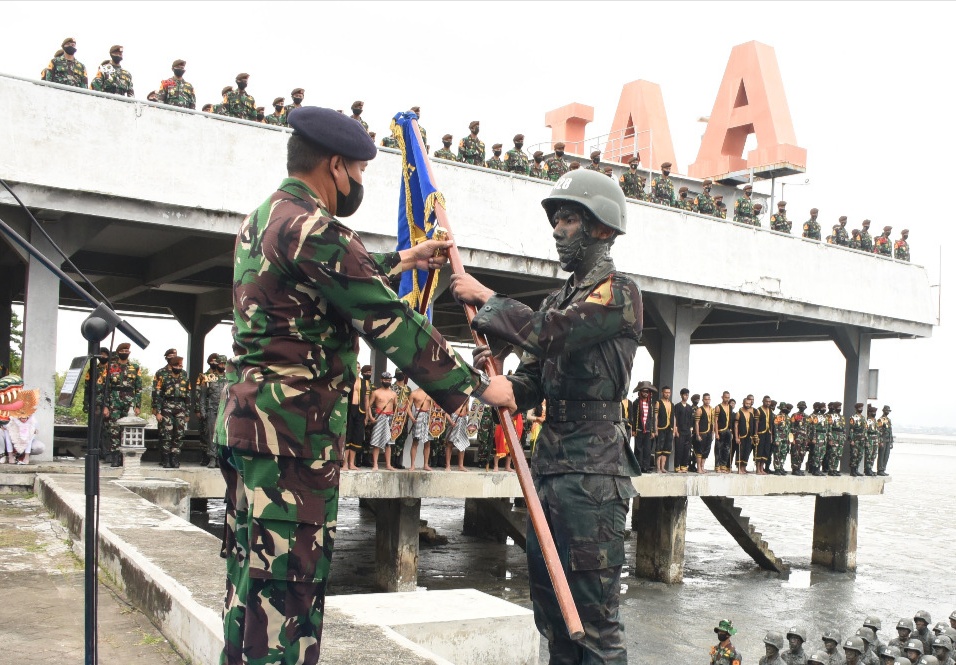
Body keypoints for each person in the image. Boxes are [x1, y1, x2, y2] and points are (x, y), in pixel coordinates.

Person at [215, 107, 513, 663]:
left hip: (251, 433)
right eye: (358, 172)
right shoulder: (316, 229)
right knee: (287, 604)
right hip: (290, 445)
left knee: (248, 595)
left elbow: (332, 277)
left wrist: (404, 257)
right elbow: (387, 319)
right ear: (334, 166)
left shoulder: (264, 219)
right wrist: (475, 388)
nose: (360, 184)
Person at [450, 168, 642, 664]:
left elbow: (552, 334)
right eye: (556, 220)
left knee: (594, 619)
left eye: (569, 219)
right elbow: (529, 382)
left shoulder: (618, 293)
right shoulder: (557, 298)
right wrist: (491, 383)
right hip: (551, 466)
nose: (557, 231)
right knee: (551, 609)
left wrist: (488, 300)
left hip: (593, 472)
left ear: (601, 227)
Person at [97, 342, 144, 467]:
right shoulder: (110, 367)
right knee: (114, 429)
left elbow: (138, 388)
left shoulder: (135, 367)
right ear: (118, 353)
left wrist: (137, 405)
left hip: (129, 402)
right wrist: (105, 406)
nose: (125, 353)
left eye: (126, 351)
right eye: (122, 351)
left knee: (127, 430)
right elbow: (104, 388)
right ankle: (115, 457)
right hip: (114, 400)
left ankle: (126, 458)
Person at [154, 353, 190, 468]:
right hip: (167, 407)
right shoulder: (164, 378)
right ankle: (166, 459)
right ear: (172, 366)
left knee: (179, 434)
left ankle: (175, 458)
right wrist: (158, 411)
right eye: (177, 366)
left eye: (180, 366)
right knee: (167, 434)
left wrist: (187, 413)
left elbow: (188, 396)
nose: (179, 368)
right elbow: (158, 395)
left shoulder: (185, 378)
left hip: (180, 407)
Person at [195, 353, 227, 468]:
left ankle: (220, 458)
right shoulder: (208, 377)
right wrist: (202, 410)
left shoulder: (229, 377)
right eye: (221, 363)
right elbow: (202, 395)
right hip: (211, 409)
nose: (222, 366)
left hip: (224, 409)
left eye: (224, 363)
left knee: (222, 434)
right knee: (211, 434)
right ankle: (212, 458)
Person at [368, 372, 397, 470]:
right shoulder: (376, 392)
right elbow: (369, 405)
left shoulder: (393, 394)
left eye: (389, 380)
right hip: (380, 417)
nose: (387, 382)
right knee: (376, 441)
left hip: (390, 417)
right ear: (381, 380)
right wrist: (371, 417)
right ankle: (375, 464)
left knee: (389, 442)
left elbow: (397, 408)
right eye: (385, 380)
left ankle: (388, 464)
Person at [631, 380, 657, 473]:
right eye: (644, 391)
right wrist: (633, 429)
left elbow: (652, 418)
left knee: (647, 449)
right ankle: (638, 467)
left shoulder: (651, 404)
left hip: (648, 429)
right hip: (639, 429)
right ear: (640, 392)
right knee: (638, 449)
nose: (645, 393)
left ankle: (645, 467)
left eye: (647, 392)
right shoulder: (636, 403)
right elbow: (633, 417)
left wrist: (653, 430)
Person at [408, 384, 436, 471]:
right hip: (418, 416)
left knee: (427, 442)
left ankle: (426, 464)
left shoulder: (430, 393)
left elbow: (434, 406)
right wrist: (412, 417)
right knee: (415, 441)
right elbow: (407, 407)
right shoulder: (414, 393)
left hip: (428, 417)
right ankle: (412, 465)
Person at [444, 400, 470, 471]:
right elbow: (446, 412)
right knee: (450, 443)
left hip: (463, 420)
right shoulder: (453, 397)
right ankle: (448, 465)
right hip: (454, 418)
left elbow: (467, 411)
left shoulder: (466, 397)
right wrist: (451, 421)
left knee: (462, 443)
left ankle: (461, 466)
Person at [673, 388, 694, 472]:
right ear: (681, 395)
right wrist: (676, 430)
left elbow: (691, 419)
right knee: (679, 449)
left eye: (687, 395)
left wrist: (691, 430)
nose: (686, 396)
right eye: (685, 395)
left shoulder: (689, 407)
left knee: (686, 449)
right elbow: (675, 418)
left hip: (687, 431)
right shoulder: (677, 406)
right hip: (680, 431)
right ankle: (677, 466)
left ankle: (684, 466)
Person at [735, 394, 757, 473]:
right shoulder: (739, 413)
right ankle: (739, 469)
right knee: (740, 451)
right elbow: (736, 426)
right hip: (741, 435)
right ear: (743, 403)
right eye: (746, 403)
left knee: (747, 452)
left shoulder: (751, 414)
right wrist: (737, 437)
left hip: (749, 436)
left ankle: (744, 468)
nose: (748, 405)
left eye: (749, 404)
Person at [656, 385, 676, 473]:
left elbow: (674, 417)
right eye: (666, 392)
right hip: (661, 427)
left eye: (669, 393)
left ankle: (663, 467)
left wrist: (674, 429)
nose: (667, 394)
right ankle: (658, 468)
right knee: (659, 447)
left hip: (670, 428)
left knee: (667, 448)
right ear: (662, 393)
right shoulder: (658, 403)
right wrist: (655, 429)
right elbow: (656, 417)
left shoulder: (672, 404)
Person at [714, 391, 734, 473]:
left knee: (727, 449)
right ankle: (717, 466)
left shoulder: (730, 407)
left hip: (728, 430)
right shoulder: (718, 407)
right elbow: (715, 421)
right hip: (720, 430)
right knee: (718, 448)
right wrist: (716, 433)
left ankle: (723, 465)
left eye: (728, 397)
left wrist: (731, 431)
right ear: (722, 397)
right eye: (725, 397)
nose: (727, 399)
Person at [755, 395, 775, 475]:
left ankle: (762, 468)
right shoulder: (758, 410)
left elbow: (771, 424)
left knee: (766, 451)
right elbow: (756, 423)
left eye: (769, 402)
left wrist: (771, 435)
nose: (768, 403)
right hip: (760, 433)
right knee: (759, 450)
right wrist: (756, 435)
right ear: (763, 401)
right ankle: (757, 469)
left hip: (768, 433)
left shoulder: (770, 411)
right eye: (766, 401)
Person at [695, 392, 715, 473]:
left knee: (707, 450)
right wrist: (697, 434)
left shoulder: (712, 409)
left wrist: (713, 433)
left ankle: (702, 466)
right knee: (700, 450)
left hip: (709, 432)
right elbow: (696, 423)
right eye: (706, 399)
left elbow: (713, 422)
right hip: (702, 432)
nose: (707, 401)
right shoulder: (699, 410)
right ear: (703, 400)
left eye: (708, 399)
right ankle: (698, 468)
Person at [826, 402, 846, 476]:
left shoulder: (842, 417)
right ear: (834, 408)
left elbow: (844, 428)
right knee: (833, 454)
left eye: (840, 407)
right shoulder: (831, 416)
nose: (839, 408)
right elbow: (829, 428)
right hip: (834, 437)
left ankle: (835, 469)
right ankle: (830, 469)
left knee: (839, 454)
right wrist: (830, 439)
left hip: (841, 437)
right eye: (838, 407)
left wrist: (844, 437)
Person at [789, 401, 809, 475]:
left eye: (803, 406)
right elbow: (791, 428)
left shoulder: (807, 417)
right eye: (801, 406)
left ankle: (798, 468)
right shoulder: (794, 415)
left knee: (802, 453)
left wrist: (807, 439)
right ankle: (794, 469)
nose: (802, 407)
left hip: (804, 438)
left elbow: (808, 428)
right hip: (796, 438)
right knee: (795, 453)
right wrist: (791, 439)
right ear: (798, 407)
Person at [772, 402, 792, 475]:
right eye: (783, 408)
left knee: (784, 453)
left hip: (786, 438)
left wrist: (790, 439)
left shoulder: (788, 417)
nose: (785, 409)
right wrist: (776, 439)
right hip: (779, 438)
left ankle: (781, 467)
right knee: (777, 453)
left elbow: (790, 429)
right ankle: (777, 468)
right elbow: (775, 428)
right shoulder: (777, 417)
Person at [848, 402, 868, 476]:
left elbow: (865, 429)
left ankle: (856, 469)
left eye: (862, 408)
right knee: (854, 454)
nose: (861, 409)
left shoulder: (863, 418)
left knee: (860, 455)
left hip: (862, 439)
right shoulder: (853, 417)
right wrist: (851, 440)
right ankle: (852, 470)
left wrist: (865, 439)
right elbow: (851, 429)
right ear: (856, 409)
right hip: (855, 439)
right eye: (859, 408)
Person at [876, 404, 893, 475]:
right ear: (883, 411)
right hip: (883, 440)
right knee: (881, 455)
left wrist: (891, 441)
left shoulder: (888, 420)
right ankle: (880, 469)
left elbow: (890, 431)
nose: (887, 412)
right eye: (886, 410)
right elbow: (878, 431)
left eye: (888, 411)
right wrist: (880, 441)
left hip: (888, 440)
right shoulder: (880, 419)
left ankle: (883, 469)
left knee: (886, 455)